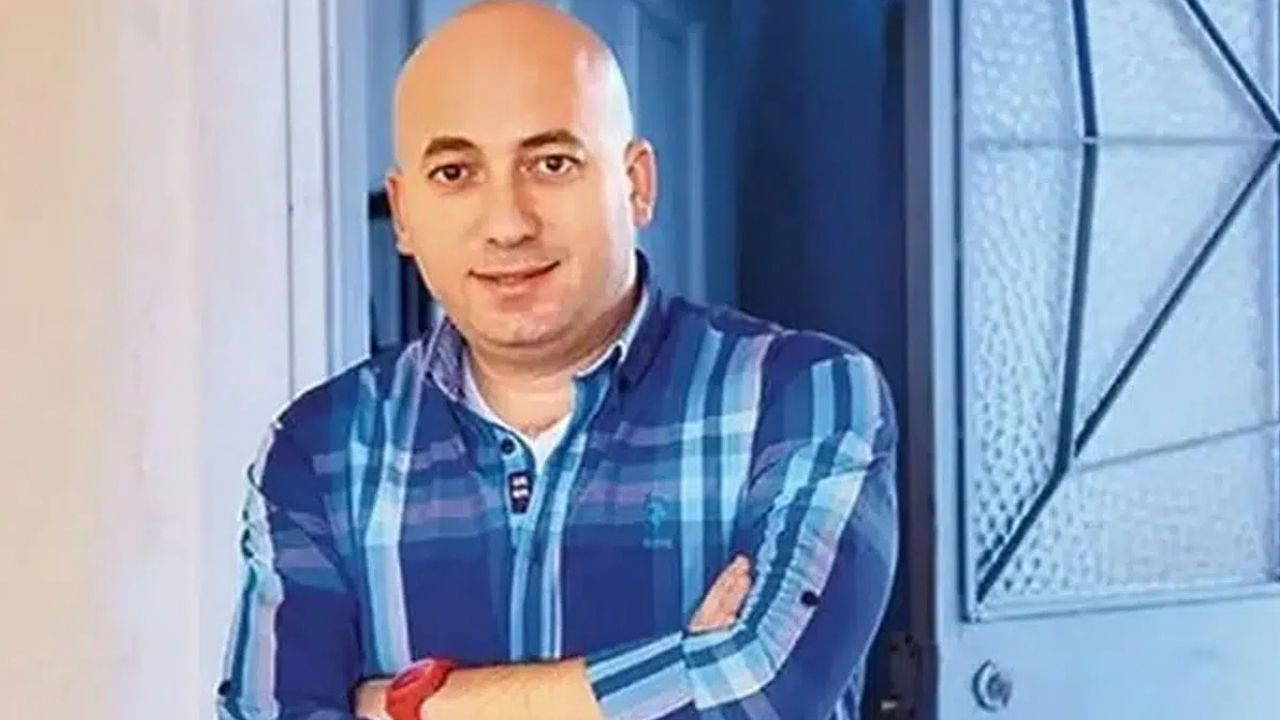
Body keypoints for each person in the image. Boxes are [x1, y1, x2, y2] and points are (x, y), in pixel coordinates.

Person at [216, 1, 898, 718]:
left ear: (636, 183)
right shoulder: (319, 454)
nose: (508, 224)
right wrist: (686, 669)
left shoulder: (802, 398)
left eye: (551, 163)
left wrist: (410, 706)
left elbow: (762, 692)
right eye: (454, 172)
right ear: (405, 212)